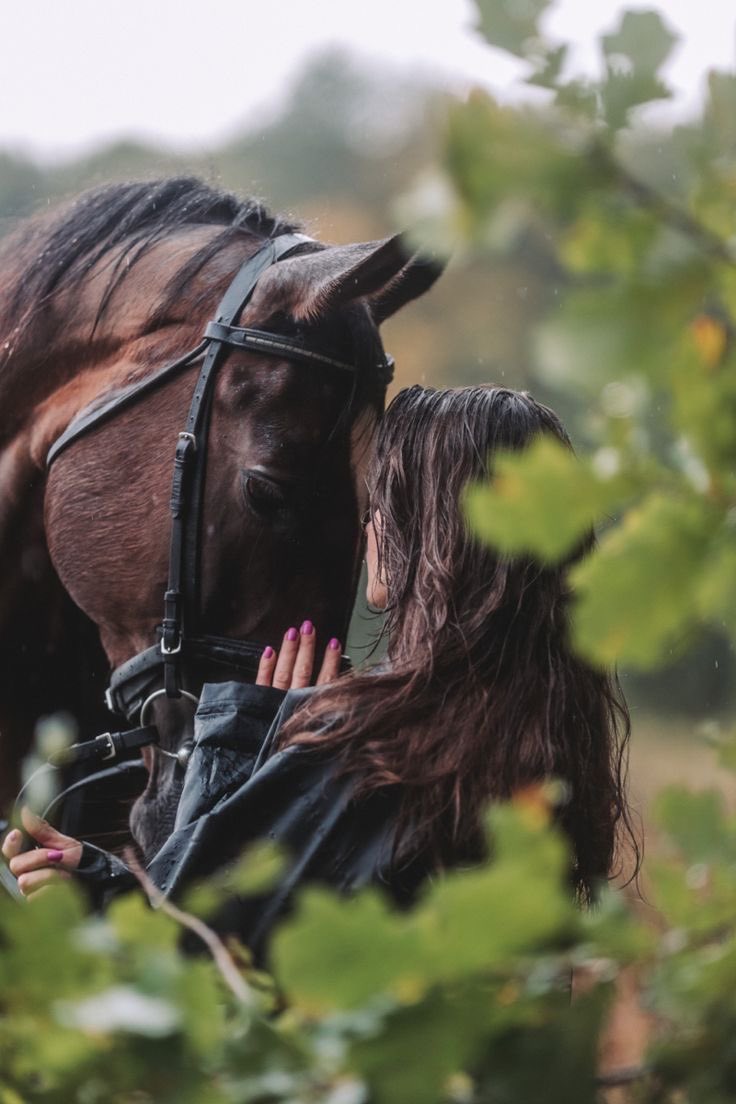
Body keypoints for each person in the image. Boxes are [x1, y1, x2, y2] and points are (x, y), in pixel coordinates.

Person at [2, 386, 636, 959]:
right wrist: (104, 883)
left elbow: (201, 956)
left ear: (435, 532)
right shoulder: (544, 759)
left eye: (385, 501)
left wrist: (245, 747)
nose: (370, 527)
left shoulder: (373, 750)